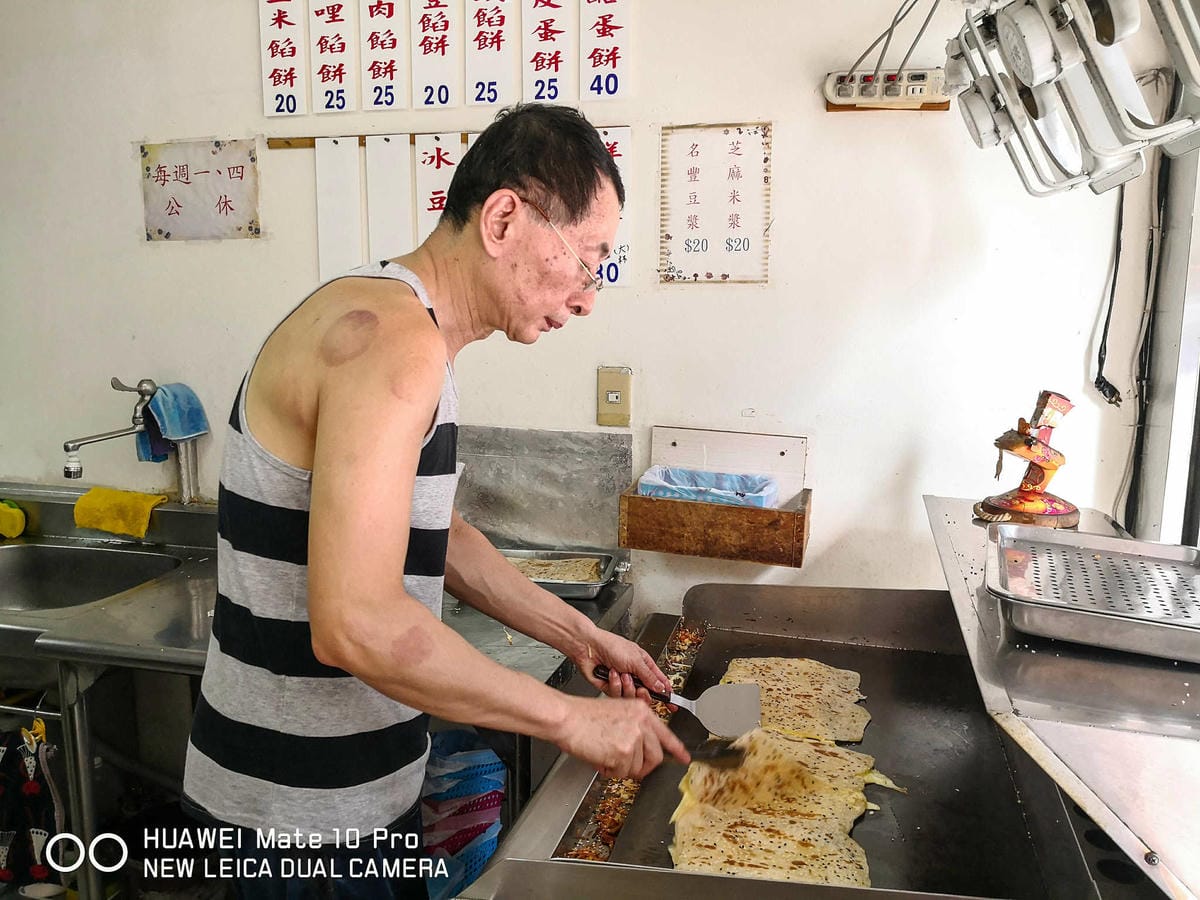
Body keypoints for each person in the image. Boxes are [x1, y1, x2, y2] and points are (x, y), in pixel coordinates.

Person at [182, 103, 689, 898]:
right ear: (504, 219)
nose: (589, 297)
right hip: (304, 817)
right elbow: (356, 623)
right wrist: (571, 719)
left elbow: (437, 534)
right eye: (590, 261)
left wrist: (580, 635)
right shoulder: (395, 344)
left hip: (341, 795)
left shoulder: (405, 323)